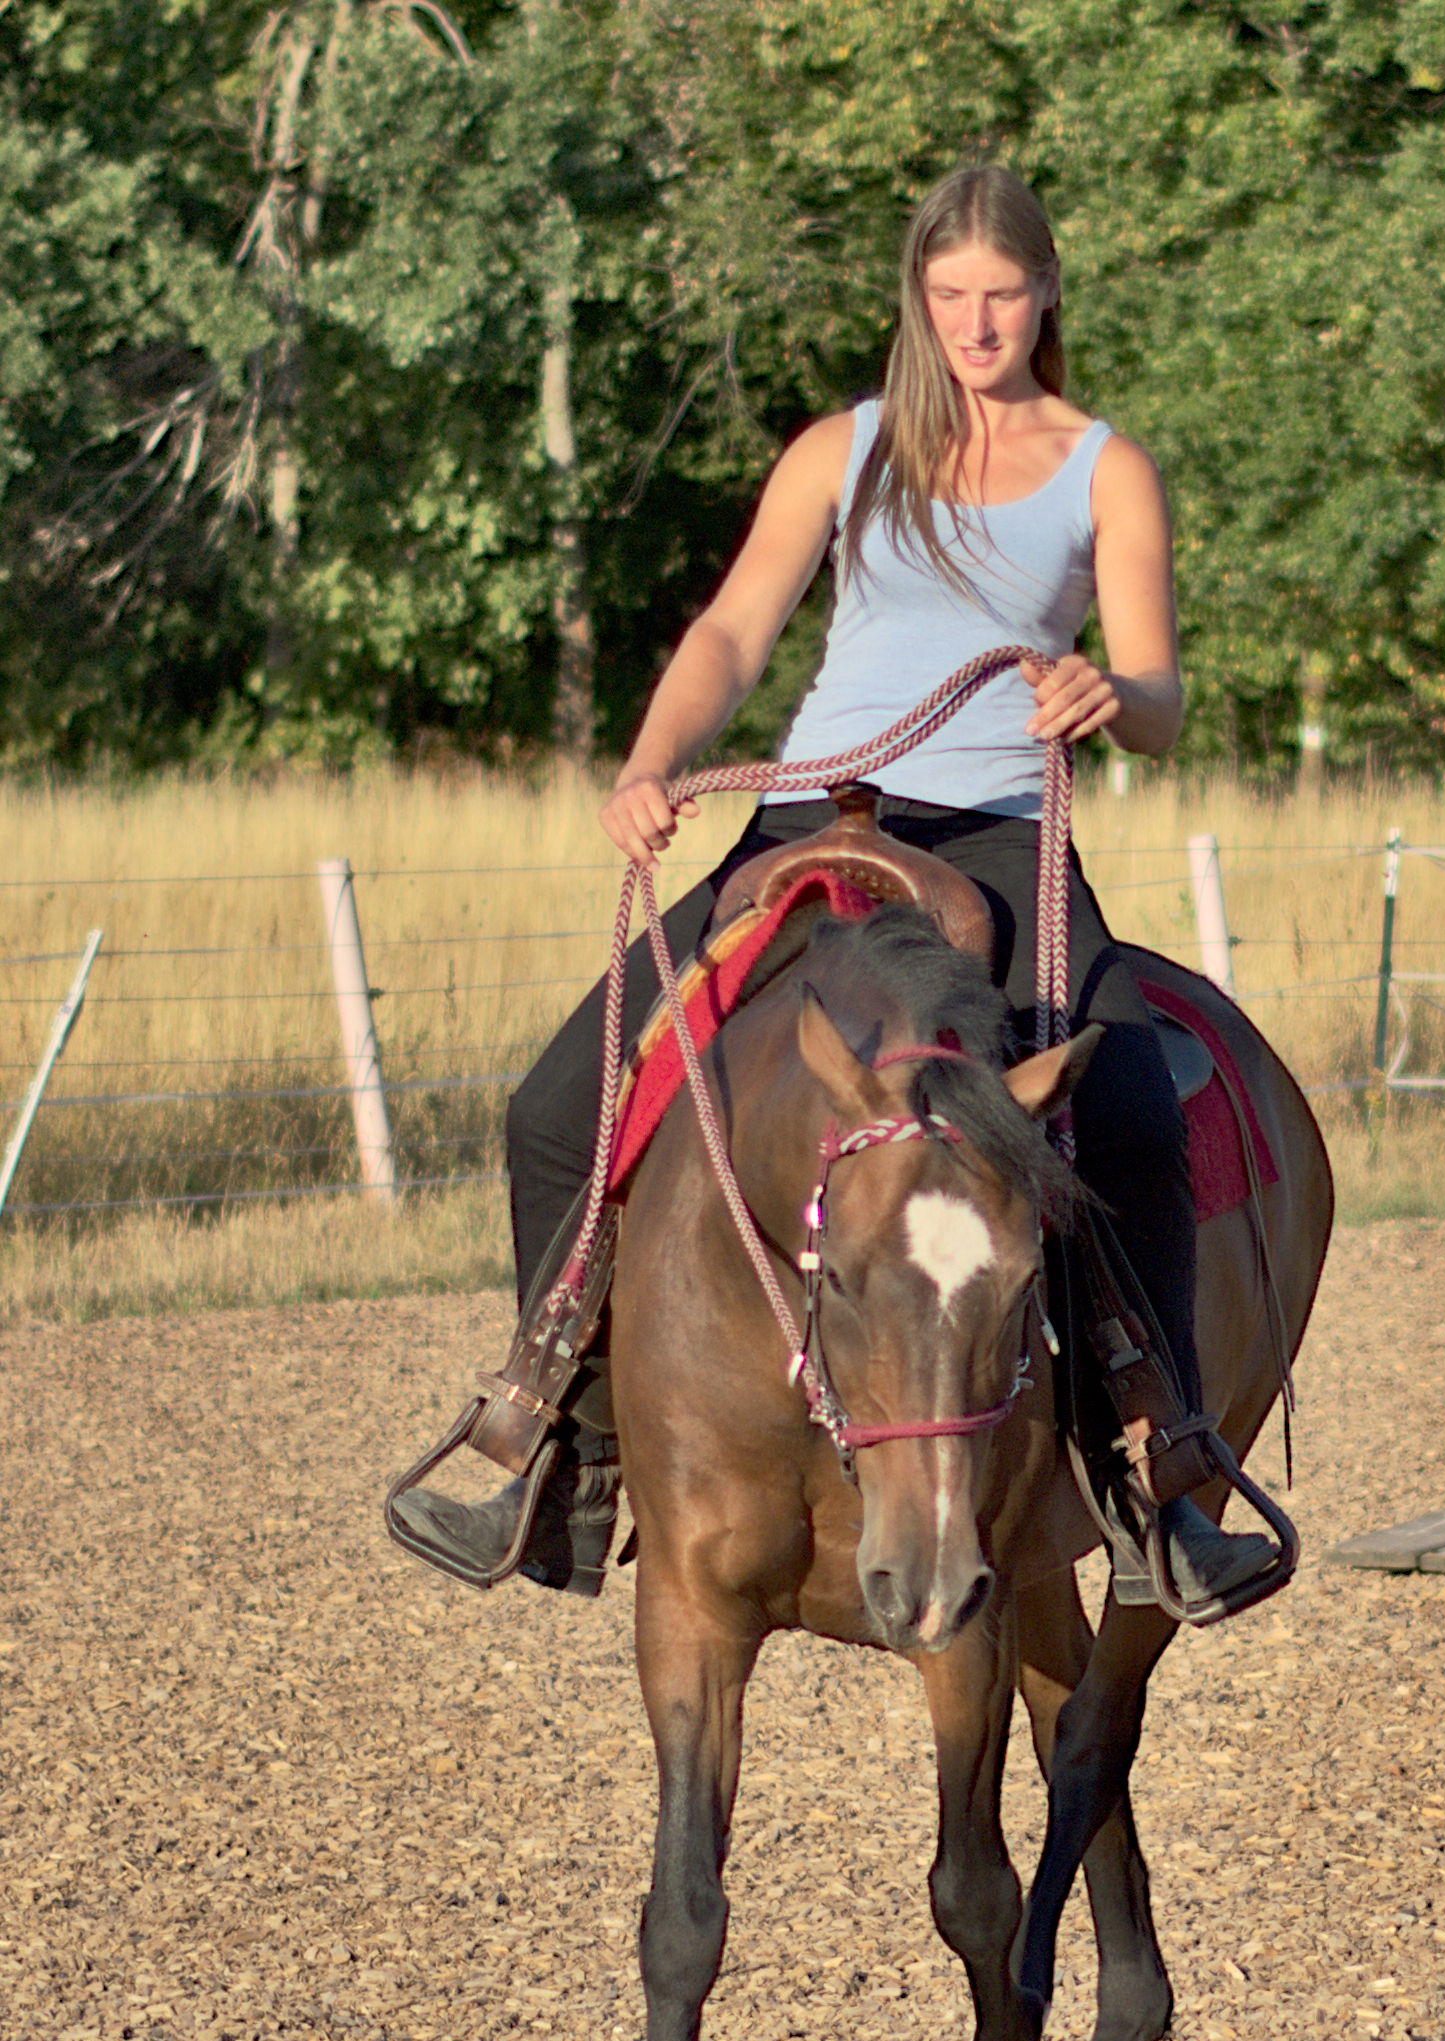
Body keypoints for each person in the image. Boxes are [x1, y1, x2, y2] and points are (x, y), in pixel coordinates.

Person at [396, 164, 1274, 1612]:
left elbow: (1165, 700)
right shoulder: (839, 449)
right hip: (815, 818)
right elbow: (737, 631)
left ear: (1045, 293)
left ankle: (1152, 1476)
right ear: (915, 303)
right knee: (558, 1102)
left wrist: (1099, 690)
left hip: (999, 827)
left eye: (1001, 293)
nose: (975, 321)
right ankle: (566, 1451)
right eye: (948, 296)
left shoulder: (1104, 467)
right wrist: (649, 763)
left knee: (1115, 1107)